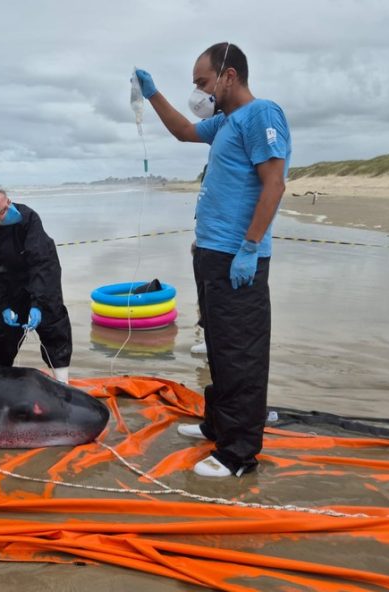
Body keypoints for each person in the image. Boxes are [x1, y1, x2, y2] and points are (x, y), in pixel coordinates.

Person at [134, 42, 291, 477]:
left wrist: (250, 246)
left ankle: (239, 452)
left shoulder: (262, 115)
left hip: (238, 257)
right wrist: (152, 94)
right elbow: (184, 131)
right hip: (210, 253)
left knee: (241, 352)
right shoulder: (224, 122)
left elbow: (273, 184)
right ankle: (219, 424)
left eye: (203, 83)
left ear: (229, 75)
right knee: (219, 347)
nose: (199, 92)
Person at [0, 187, 72, 383]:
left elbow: (41, 262)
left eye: (9, 202)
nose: (11, 209)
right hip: (8, 285)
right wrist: (3, 305)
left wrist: (38, 304)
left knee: (54, 327)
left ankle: (63, 384)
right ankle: (0, 383)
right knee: (3, 336)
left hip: (41, 276)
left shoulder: (28, 218)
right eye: (4, 210)